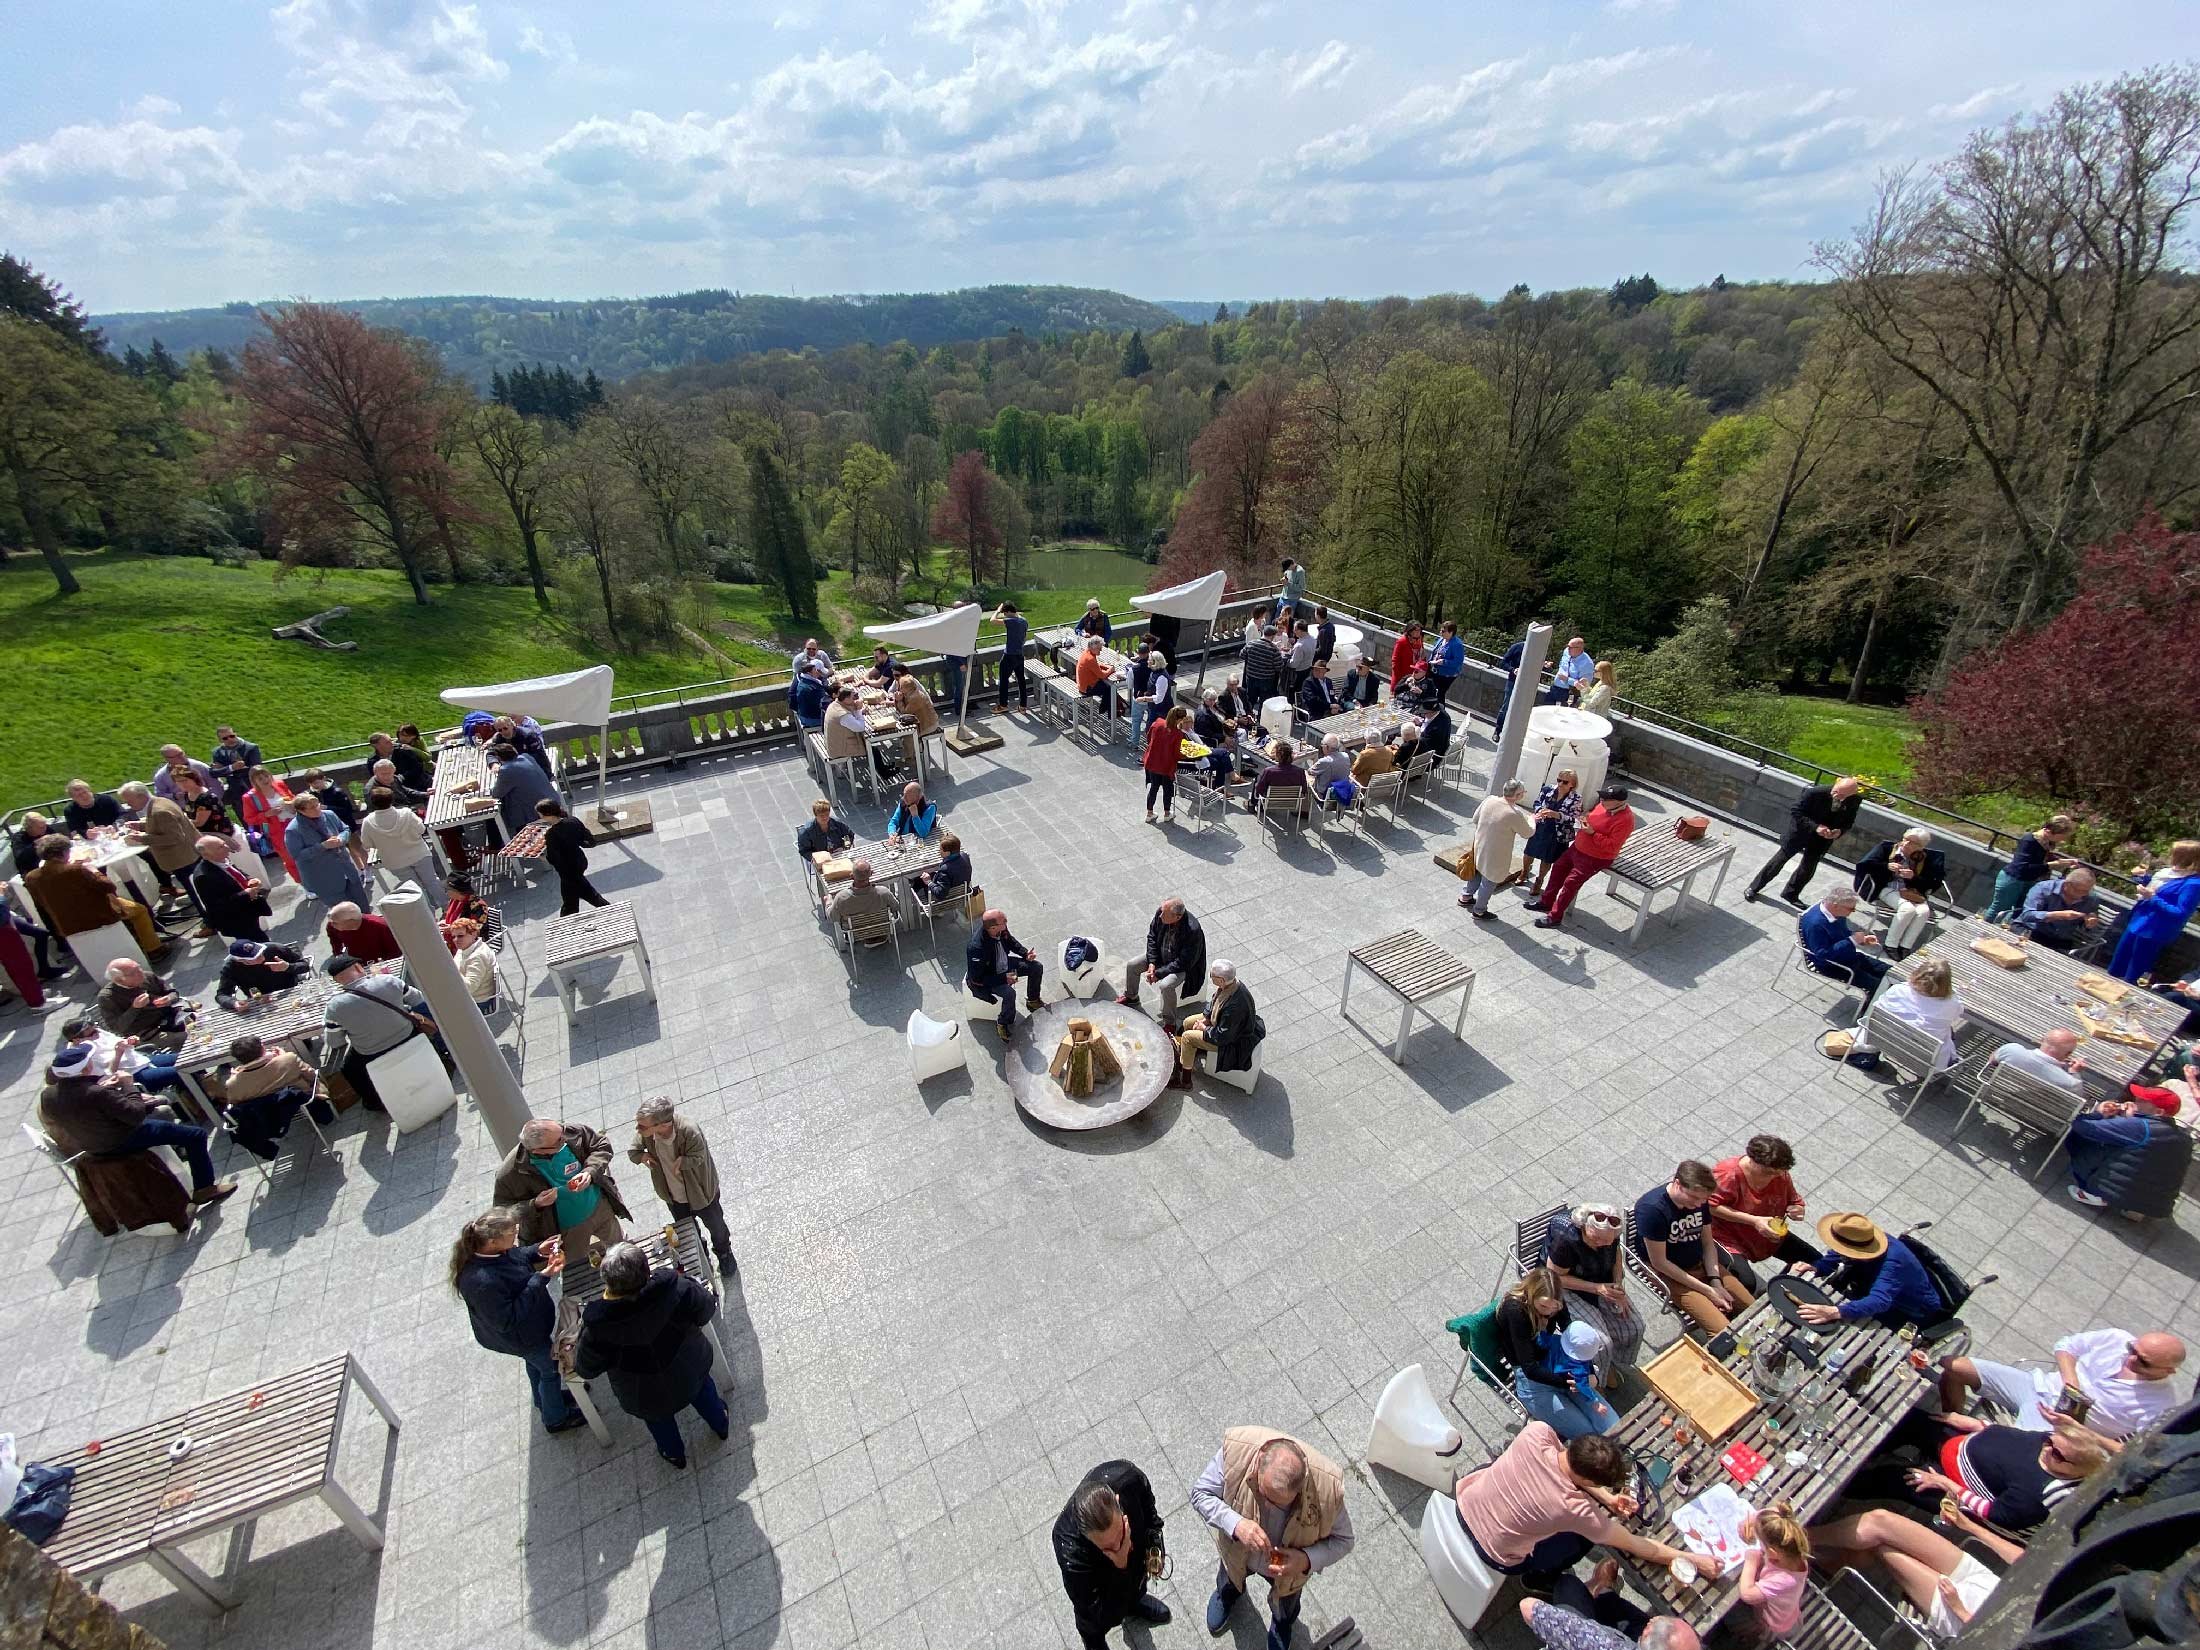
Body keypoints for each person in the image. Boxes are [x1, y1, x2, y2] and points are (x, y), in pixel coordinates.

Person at [1452, 1425, 1687, 1581]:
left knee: (1498, 1467)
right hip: (1495, 1554)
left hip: (1463, 1504)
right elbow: (1634, 1543)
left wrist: (1608, 1498)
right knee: (1581, 1539)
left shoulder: (1537, 1432)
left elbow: (1565, 1464)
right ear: (1588, 1480)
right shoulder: (1573, 1509)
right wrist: (1693, 1561)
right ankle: (1540, 1579)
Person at [571, 1241, 730, 1469]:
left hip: (642, 1394)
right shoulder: (677, 1289)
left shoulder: (597, 1328)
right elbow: (706, 1309)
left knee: (658, 1420)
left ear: (608, 1283)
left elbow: (587, 1369)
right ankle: (720, 1424)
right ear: (647, 1270)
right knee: (704, 1393)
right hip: (690, 1369)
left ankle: (674, 1454)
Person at [1192, 1429, 1350, 1650]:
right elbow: (1200, 1494)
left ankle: (1282, 1624)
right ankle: (1227, 1595)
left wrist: (1305, 1560)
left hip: (1287, 1570)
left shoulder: (1327, 1490)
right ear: (1258, 1462)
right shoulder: (1237, 1451)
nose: (1267, 1506)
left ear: (1300, 1489)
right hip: (1238, 1551)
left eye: (1279, 1505)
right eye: (1264, 1494)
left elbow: (1344, 1541)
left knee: (1287, 1603)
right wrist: (1236, 1524)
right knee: (1229, 1577)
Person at [1851, 1407, 2108, 1535]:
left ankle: (1844, 1486)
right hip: (1961, 1443)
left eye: (2058, 1454)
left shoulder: (2040, 1495)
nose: (2049, 1448)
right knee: (1912, 1419)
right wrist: (1979, 1425)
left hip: (1955, 1490)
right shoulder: (2054, 1444)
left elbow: (1992, 1514)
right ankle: (1854, 1447)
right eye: (2050, 1441)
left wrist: (1943, 1483)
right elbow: (2013, 1437)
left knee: (1894, 1478)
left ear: (2077, 1470)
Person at [39, 1041, 236, 1205]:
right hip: (121, 1140)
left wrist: (103, 1090)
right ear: (85, 1068)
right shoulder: (96, 1093)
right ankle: (205, 1189)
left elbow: (81, 1108)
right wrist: (128, 1085)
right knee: (195, 1135)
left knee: (163, 1116)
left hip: (92, 1145)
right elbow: (135, 1116)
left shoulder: (48, 1096)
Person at [452, 1208, 586, 1434]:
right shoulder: (482, 1282)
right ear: (493, 1241)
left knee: (537, 1366)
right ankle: (555, 1419)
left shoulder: (492, 1252)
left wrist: (537, 1251)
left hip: (530, 1330)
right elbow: (507, 1319)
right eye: (511, 1233)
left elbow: (516, 1256)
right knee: (551, 1368)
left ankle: (544, 1400)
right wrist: (542, 1277)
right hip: (521, 1337)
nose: (516, 1235)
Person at [1940, 1329, 2185, 1449]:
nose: (2130, 1359)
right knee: (1954, 1366)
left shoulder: (2161, 1405)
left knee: (2002, 1447)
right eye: (2132, 1350)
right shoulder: (2117, 1338)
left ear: (2168, 1371)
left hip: (2058, 1427)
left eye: (2143, 1361)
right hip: (2038, 1387)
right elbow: (2066, 1345)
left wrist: (2080, 1431)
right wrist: (2070, 1380)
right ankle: (1949, 1422)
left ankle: (1952, 1445)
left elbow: (2132, 1452)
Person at [1053, 1461, 1171, 1650]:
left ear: (1117, 1501)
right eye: (1109, 1547)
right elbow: (1102, 1614)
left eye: (1121, 1534)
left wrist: (1155, 1545)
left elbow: (1149, 1509)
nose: (1122, 1545)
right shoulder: (1070, 1549)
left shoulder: (1127, 1478)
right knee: (1094, 1635)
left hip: (1130, 1574)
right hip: (1099, 1604)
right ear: (1086, 1537)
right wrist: (1121, 1563)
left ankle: (1135, 1603)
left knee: (1136, 1584)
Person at [1499, 1266, 1619, 1438]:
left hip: (1557, 1364)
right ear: (1532, 1294)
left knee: (1612, 1424)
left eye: (1553, 1308)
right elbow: (1529, 1368)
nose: (1548, 1312)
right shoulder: (1516, 1311)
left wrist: (1588, 1371)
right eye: (1543, 1306)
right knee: (1589, 1437)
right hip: (1532, 1381)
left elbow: (1573, 1336)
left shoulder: (1556, 1302)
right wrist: (1570, 1382)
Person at [1634, 1160, 1752, 1333]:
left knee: (1753, 1309)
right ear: (1677, 1184)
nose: (1698, 1204)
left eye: (1703, 1199)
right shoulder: (1653, 1210)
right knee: (1721, 1331)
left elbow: (1707, 1242)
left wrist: (1715, 1281)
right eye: (1694, 1198)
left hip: (1701, 1264)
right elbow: (1660, 1263)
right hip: (1671, 1275)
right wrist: (1708, 1291)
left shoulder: (1699, 1201)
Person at [627, 1097, 736, 1276]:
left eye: (643, 1126)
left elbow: (699, 1155)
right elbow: (633, 1150)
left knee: (717, 1226)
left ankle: (724, 1253)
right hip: (674, 1196)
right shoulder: (647, 1134)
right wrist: (642, 1157)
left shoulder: (688, 1131)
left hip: (701, 1192)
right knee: (687, 1232)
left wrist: (683, 1162)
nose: (638, 1129)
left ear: (662, 1125)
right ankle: (701, 1254)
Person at [317, 954, 439, 1114]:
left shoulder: (334, 1006)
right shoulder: (388, 980)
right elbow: (417, 999)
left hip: (372, 1053)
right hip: (408, 1036)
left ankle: (375, 1103)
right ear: (359, 967)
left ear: (337, 981)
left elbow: (335, 1043)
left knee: (348, 1069)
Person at [1542, 1203, 1644, 1386]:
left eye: (1606, 1242)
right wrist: (1597, 1288)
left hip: (1600, 1277)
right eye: (1595, 1239)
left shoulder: (1609, 1236)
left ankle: (1614, 1361)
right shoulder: (1566, 1240)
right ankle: (1598, 1379)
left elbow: (1616, 1254)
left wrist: (1618, 1284)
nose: (1600, 1244)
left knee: (1635, 1326)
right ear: (1584, 1226)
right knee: (1601, 1344)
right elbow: (1555, 1277)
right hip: (1567, 1286)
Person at [495, 1116, 630, 1251]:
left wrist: (590, 1171)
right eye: (559, 1141)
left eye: (562, 1131)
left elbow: (601, 1144)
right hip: (567, 1230)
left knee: (619, 1246)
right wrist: (535, 1204)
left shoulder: (568, 1132)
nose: (565, 1139)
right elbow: (502, 1212)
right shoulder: (511, 1172)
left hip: (600, 1208)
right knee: (577, 1264)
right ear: (537, 1151)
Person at [26, 834, 168, 959]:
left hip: (66, 924)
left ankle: (137, 940)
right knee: (139, 910)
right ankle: (154, 949)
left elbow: (40, 905)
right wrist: (94, 870)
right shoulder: (77, 870)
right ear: (64, 852)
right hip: (99, 915)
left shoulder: (31, 877)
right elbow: (109, 887)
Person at [1796, 1212, 1945, 1330]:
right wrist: (1817, 1267)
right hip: (1870, 1288)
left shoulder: (1893, 1263)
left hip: (1906, 1309)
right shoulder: (1861, 1238)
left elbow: (1880, 1301)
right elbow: (1837, 1254)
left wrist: (1833, 1312)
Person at [1707, 1135, 1819, 1289]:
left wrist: (1797, 1209)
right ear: (1752, 1160)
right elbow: (1710, 1206)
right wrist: (1753, 1220)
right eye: (1768, 1172)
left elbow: (1794, 1200)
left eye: (1778, 1172)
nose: (1775, 1176)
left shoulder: (1780, 1174)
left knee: (1817, 1262)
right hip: (1728, 1237)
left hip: (1768, 1233)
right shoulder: (1728, 1174)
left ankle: (1780, 1288)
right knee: (1747, 1283)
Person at [2065, 1090, 2191, 1217]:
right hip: (2158, 1206)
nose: (2135, 1100)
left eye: (2142, 1100)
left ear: (2159, 1112)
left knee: (2085, 1139)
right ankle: (2135, 1208)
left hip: (2110, 1191)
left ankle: (2095, 1193)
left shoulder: (2139, 1126)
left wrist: (2099, 1113)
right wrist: (2128, 1119)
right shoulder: (2185, 1138)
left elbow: (2081, 1125)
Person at [1519, 1563, 1696, 1650]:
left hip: (1590, 1640)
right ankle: (1604, 1593)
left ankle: (1597, 1590)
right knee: (1638, 1621)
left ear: (1648, 1634)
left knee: (1567, 1585)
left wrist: (1586, 1628)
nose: (1655, 1618)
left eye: (1657, 1622)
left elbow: (1528, 1608)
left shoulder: (1600, 1644)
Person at [1745, 776, 1864, 904]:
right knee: (1778, 861)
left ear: (1851, 795)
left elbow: (1849, 821)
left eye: (1842, 795)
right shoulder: (1814, 793)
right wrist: (1816, 827)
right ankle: (1754, 887)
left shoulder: (1854, 801)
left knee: (1808, 868)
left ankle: (1791, 894)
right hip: (1801, 832)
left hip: (1822, 839)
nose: (1836, 795)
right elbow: (1797, 811)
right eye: (1836, 791)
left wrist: (1839, 831)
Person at [1532, 785, 1636, 931]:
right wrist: (1584, 820)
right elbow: (1591, 816)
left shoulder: (1626, 820)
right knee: (1557, 870)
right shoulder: (1603, 806)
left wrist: (1593, 833)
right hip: (1577, 848)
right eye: (1603, 796)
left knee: (1570, 884)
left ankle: (1554, 917)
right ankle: (1546, 902)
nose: (1602, 800)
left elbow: (1612, 846)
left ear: (1619, 801)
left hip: (1594, 857)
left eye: (1607, 798)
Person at [1849, 956, 1965, 1074]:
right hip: (1924, 1061)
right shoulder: (1952, 1004)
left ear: (1917, 974)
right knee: (1947, 1030)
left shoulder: (1897, 989)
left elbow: (1879, 1006)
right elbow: (1957, 1015)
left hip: (1884, 1041)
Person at [2110, 840, 2200, 984]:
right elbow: (2161, 888)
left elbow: (2180, 912)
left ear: (2185, 858)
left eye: (2174, 854)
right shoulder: (2171, 873)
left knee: (2132, 975)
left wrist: (2152, 897)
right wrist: (2143, 879)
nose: (2170, 856)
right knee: (2117, 966)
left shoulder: (2193, 884)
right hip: (2138, 921)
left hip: (2153, 931)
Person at [218, 1032, 321, 1158]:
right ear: (262, 1048)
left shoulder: (233, 1084)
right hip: (299, 1102)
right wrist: (284, 1058)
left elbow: (235, 1103)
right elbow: (312, 1076)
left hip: (266, 1117)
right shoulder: (288, 1059)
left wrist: (236, 1076)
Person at [1852, 827, 1945, 955]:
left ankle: (1905, 947)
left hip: (1913, 891)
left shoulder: (1926, 859)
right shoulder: (1886, 848)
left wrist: (1913, 877)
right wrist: (1886, 866)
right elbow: (1864, 865)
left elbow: (1934, 883)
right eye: (1905, 839)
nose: (1906, 844)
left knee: (1924, 911)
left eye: (1912, 842)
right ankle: (1891, 945)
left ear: (1921, 847)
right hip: (1887, 887)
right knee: (1907, 909)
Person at [123, 781, 206, 922]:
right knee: (198, 890)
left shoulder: (158, 811)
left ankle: (209, 922)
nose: (127, 805)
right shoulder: (160, 802)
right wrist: (142, 825)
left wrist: (143, 838)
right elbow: (164, 826)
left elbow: (174, 837)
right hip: (188, 854)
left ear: (141, 796)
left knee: (196, 892)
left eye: (129, 801)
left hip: (182, 858)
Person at [1172, 960, 1262, 1088]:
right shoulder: (1231, 985)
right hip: (1220, 1025)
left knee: (1187, 1037)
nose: (1210, 976)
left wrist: (1204, 1028)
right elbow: (1214, 1001)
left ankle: (1185, 1081)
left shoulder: (1236, 1006)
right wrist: (1207, 1018)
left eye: (1211, 975)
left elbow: (1223, 1036)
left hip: (1231, 1043)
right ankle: (1192, 1052)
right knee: (1188, 1022)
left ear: (1221, 980)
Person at [1119, 898, 1206, 1028]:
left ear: (1177, 917)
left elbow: (1184, 962)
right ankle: (1131, 997)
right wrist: (1152, 963)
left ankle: (1170, 1023)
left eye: (1164, 914)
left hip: (1181, 967)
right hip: (1161, 956)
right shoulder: (1162, 913)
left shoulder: (1192, 931)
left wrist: (1159, 974)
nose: (1160, 916)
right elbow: (1152, 937)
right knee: (1133, 965)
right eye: (1161, 911)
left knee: (1166, 986)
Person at [1460, 781, 1536, 918]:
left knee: (1476, 871)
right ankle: (1479, 910)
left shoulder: (1490, 800)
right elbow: (1528, 833)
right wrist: (1532, 819)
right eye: (1523, 792)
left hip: (1480, 845)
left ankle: (1465, 897)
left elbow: (1475, 819)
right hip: (1496, 854)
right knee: (1489, 880)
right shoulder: (1514, 813)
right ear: (1518, 795)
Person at [285, 792, 371, 911]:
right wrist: (323, 846)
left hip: (347, 870)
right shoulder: (293, 830)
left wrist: (341, 838)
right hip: (325, 879)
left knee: (363, 906)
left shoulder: (329, 815)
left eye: (317, 804)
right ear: (301, 811)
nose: (318, 808)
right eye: (312, 807)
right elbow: (298, 856)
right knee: (345, 913)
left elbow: (345, 828)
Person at [1983, 815, 2079, 922]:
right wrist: (2052, 865)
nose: (2062, 840)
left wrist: (2064, 862)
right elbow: (2022, 866)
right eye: (2061, 836)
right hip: (2013, 879)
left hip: (2029, 880)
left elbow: (2042, 857)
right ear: (2050, 832)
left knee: (2021, 912)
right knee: (1999, 909)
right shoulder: (2029, 840)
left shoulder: (2046, 842)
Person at [1799, 890, 1890, 1002]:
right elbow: (1822, 955)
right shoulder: (1815, 925)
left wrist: (1861, 940)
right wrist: (1851, 941)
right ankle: (1865, 1013)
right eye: (1851, 909)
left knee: (1890, 972)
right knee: (1879, 987)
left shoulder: (1836, 914)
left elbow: (1843, 933)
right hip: (1834, 966)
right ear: (1836, 906)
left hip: (1850, 957)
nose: (1853, 911)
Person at [966, 909, 1045, 1037]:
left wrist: (1025, 954)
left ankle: (1033, 1000)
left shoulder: (1001, 929)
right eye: (1004, 921)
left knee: (1036, 967)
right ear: (992, 927)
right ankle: (1003, 1022)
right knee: (1009, 993)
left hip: (1004, 964)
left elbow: (1010, 941)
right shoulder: (977, 948)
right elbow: (977, 979)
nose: (1006, 922)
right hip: (990, 976)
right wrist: (1003, 979)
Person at [361, 788, 447, 904]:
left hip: (395, 862)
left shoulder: (368, 822)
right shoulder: (406, 813)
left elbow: (367, 844)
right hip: (419, 854)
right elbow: (421, 829)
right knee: (432, 881)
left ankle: (429, 915)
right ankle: (447, 908)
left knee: (415, 890)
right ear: (392, 800)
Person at [1737, 1505, 1809, 1643]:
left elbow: (1747, 1594)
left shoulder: (1784, 1579)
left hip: (1775, 1623)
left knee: (1734, 1619)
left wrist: (1751, 1560)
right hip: (1788, 1608)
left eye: (1761, 1543)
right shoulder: (1794, 1551)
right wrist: (1753, 1520)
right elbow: (1777, 1511)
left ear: (1772, 1553)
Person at [190, 834, 272, 942]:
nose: (227, 847)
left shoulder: (221, 859)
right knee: (258, 945)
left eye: (224, 843)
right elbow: (217, 906)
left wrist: (250, 880)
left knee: (260, 940)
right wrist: (246, 894)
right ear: (207, 854)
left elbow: (237, 874)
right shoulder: (204, 877)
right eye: (221, 847)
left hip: (248, 912)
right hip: (237, 920)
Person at [535, 797, 608, 916]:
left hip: (568, 871)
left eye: (541, 815)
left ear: (548, 815)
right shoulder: (573, 820)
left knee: (581, 897)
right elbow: (590, 841)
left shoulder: (552, 835)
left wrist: (542, 857)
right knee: (575, 896)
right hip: (580, 861)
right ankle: (568, 919)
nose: (540, 818)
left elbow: (554, 859)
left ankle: (610, 910)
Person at [97, 957, 190, 1049]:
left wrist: (169, 999)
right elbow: (117, 1027)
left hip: (170, 1016)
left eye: (139, 967)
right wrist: (134, 1008)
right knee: (187, 1038)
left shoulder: (148, 977)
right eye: (134, 973)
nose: (140, 972)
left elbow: (173, 992)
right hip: (146, 1032)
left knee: (198, 1022)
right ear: (119, 980)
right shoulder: (107, 997)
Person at [1521, 771, 1584, 901]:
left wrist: (1557, 815)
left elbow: (1575, 819)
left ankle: (1539, 881)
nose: (1560, 784)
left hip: (1557, 833)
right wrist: (1540, 811)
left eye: (1564, 782)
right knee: (1529, 852)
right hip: (1541, 827)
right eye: (1559, 780)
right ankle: (1524, 872)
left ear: (1572, 784)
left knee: (1547, 858)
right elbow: (1537, 802)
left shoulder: (1576, 799)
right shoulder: (1548, 789)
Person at [2016, 868, 2104, 954]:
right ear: (2067, 884)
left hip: (2059, 941)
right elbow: (2027, 915)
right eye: (2080, 891)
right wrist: (2057, 915)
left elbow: (2088, 928)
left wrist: (2089, 924)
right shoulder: (2044, 888)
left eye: (2087, 891)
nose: (2083, 895)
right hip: (2030, 931)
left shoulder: (2092, 900)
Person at [239, 767, 298, 881]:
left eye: (266, 776)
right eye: (260, 779)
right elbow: (249, 819)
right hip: (277, 831)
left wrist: (291, 804)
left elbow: (293, 798)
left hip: (294, 823)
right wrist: (267, 814)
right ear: (254, 782)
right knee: (290, 859)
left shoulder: (280, 784)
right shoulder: (250, 797)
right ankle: (303, 883)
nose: (265, 780)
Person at [214, 938, 308, 1010]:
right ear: (241, 961)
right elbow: (222, 995)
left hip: (291, 990)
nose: (262, 958)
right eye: (256, 957)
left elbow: (305, 965)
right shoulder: (231, 967)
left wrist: (288, 967)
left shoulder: (274, 948)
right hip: (261, 1003)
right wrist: (234, 1003)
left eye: (260, 952)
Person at [488, 742, 557, 836]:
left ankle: (506, 840)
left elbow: (497, 794)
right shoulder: (526, 757)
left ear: (499, 759)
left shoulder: (506, 770)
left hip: (536, 811)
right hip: (552, 799)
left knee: (503, 807)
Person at [1991, 1029, 2087, 1092]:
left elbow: (1992, 1061)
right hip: (2036, 1115)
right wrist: (2073, 1072)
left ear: (2041, 1040)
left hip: (1997, 1093)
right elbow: (2075, 1102)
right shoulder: (2071, 1082)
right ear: (2068, 1054)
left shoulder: (2011, 1050)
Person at [1142, 704, 1188, 824]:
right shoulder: (1177, 734)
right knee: (1167, 789)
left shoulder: (1157, 723)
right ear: (1179, 719)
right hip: (1166, 766)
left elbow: (1148, 738)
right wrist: (1186, 755)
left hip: (1152, 762)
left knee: (1154, 787)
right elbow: (1176, 754)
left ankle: (1149, 813)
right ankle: (1167, 813)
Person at [827, 860, 896, 937]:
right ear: (871, 873)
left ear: (851, 876)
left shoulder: (841, 898)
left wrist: (828, 902)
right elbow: (896, 907)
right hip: (882, 929)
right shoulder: (883, 892)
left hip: (856, 935)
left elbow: (832, 918)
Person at [447, 916, 500, 1009]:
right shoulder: (466, 947)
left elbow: (469, 988)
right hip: (468, 995)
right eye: (454, 936)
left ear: (474, 934)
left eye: (460, 936)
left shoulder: (477, 957)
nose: (455, 940)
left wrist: (451, 967)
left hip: (476, 1002)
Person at [1250, 739, 1311, 818]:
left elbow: (1259, 790)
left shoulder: (1269, 771)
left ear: (1278, 755)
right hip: (1291, 803)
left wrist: (1257, 784)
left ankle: (1252, 805)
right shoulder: (1300, 772)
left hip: (1270, 802)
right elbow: (1304, 790)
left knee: (1257, 780)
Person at [327, 902, 404, 963]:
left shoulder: (381, 927)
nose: (331, 924)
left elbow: (395, 951)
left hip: (380, 963)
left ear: (351, 921)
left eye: (335, 922)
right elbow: (333, 938)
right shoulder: (333, 926)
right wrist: (338, 954)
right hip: (357, 961)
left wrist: (382, 965)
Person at [989, 601, 1032, 710]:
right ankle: (1023, 706)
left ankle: (1003, 705)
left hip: (1009, 655)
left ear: (1008, 612)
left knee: (1003, 680)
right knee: (1021, 680)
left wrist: (997, 611)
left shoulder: (1011, 621)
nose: (1004, 616)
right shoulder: (1024, 621)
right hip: (1019, 654)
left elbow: (992, 621)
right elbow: (1024, 637)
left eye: (1005, 613)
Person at [369, 730, 434, 793]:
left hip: (420, 786)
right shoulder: (373, 761)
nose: (392, 743)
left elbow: (418, 767)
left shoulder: (403, 750)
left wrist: (401, 777)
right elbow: (376, 778)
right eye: (387, 742)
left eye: (391, 740)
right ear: (377, 746)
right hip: (396, 793)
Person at [914, 833, 971, 906]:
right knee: (931, 875)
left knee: (918, 881)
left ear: (947, 852)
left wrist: (928, 882)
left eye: (940, 849)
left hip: (944, 900)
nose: (939, 851)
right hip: (962, 893)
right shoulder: (964, 856)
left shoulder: (945, 869)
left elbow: (940, 893)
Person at [794, 797, 854, 862]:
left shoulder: (837, 823)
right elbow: (804, 851)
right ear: (816, 815)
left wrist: (843, 847)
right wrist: (818, 858)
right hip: (820, 860)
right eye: (822, 815)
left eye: (827, 814)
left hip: (839, 855)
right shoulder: (807, 831)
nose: (825, 818)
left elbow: (849, 835)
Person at [1240, 625, 1285, 709]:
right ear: (1272, 636)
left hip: (1251, 677)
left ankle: (1249, 716)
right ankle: (1261, 718)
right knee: (1264, 702)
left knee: (1250, 700)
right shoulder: (1274, 650)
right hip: (1266, 680)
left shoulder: (1251, 644)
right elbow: (1279, 667)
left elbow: (1242, 655)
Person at [150, 744, 215, 800]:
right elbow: (159, 795)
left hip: (205, 804)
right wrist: (174, 796)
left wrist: (215, 801)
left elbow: (215, 785)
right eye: (177, 756)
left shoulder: (199, 766)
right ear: (167, 759)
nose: (181, 757)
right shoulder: (161, 776)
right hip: (179, 809)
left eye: (181, 753)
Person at [1074, 635, 1119, 714]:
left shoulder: (1086, 653)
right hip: (1086, 689)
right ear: (1093, 647)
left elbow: (1096, 665)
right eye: (1099, 648)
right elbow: (1102, 675)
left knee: (1106, 686)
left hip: (1083, 685)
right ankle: (1108, 712)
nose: (1101, 650)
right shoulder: (1090, 658)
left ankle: (1106, 708)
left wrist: (1106, 667)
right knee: (1110, 688)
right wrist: (1111, 670)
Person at [1546, 637, 1595, 705]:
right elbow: (1562, 665)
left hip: (1567, 693)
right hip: (1554, 687)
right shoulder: (1566, 651)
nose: (1568, 648)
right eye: (1568, 646)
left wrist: (1567, 679)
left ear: (1579, 649)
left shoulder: (1587, 664)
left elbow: (1584, 685)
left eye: (1570, 647)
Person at [1309, 733, 1355, 802]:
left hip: (1326, 796)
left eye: (1323, 745)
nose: (1322, 747)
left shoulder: (1324, 761)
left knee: (1305, 779)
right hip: (1342, 791)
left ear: (1327, 747)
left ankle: (1304, 810)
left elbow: (1311, 772)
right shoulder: (1345, 756)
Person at [1293, 656, 1335, 722]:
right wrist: (1330, 706)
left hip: (1329, 709)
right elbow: (1313, 701)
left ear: (1324, 671)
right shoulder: (1308, 682)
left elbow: (1332, 696)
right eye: (1314, 670)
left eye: (1318, 670)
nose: (1315, 672)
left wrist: (1335, 706)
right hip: (1316, 711)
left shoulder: (1328, 681)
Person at [790, 665, 830, 729]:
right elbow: (822, 704)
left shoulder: (804, 681)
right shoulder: (810, 688)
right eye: (815, 670)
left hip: (806, 715)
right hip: (813, 719)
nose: (817, 672)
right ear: (809, 673)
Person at [1388, 622, 1424, 692]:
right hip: (1401, 676)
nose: (1418, 632)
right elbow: (1395, 661)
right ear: (1410, 631)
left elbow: (1422, 655)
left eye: (1419, 630)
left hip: (1414, 676)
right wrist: (1401, 679)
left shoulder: (1420, 640)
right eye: (1416, 630)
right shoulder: (1402, 642)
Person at [1276, 556, 1308, 621]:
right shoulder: (1288, 570)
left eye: (1287, 568)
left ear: (1291, 564)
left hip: (1292, 599)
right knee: (1277, 617)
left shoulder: (1300, 571)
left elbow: (1301, 587)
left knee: (1286, 620)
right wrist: (1284, 579)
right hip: (1283, 596)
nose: (1287, 570)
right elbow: (1286, 576)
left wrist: (1288, 584)